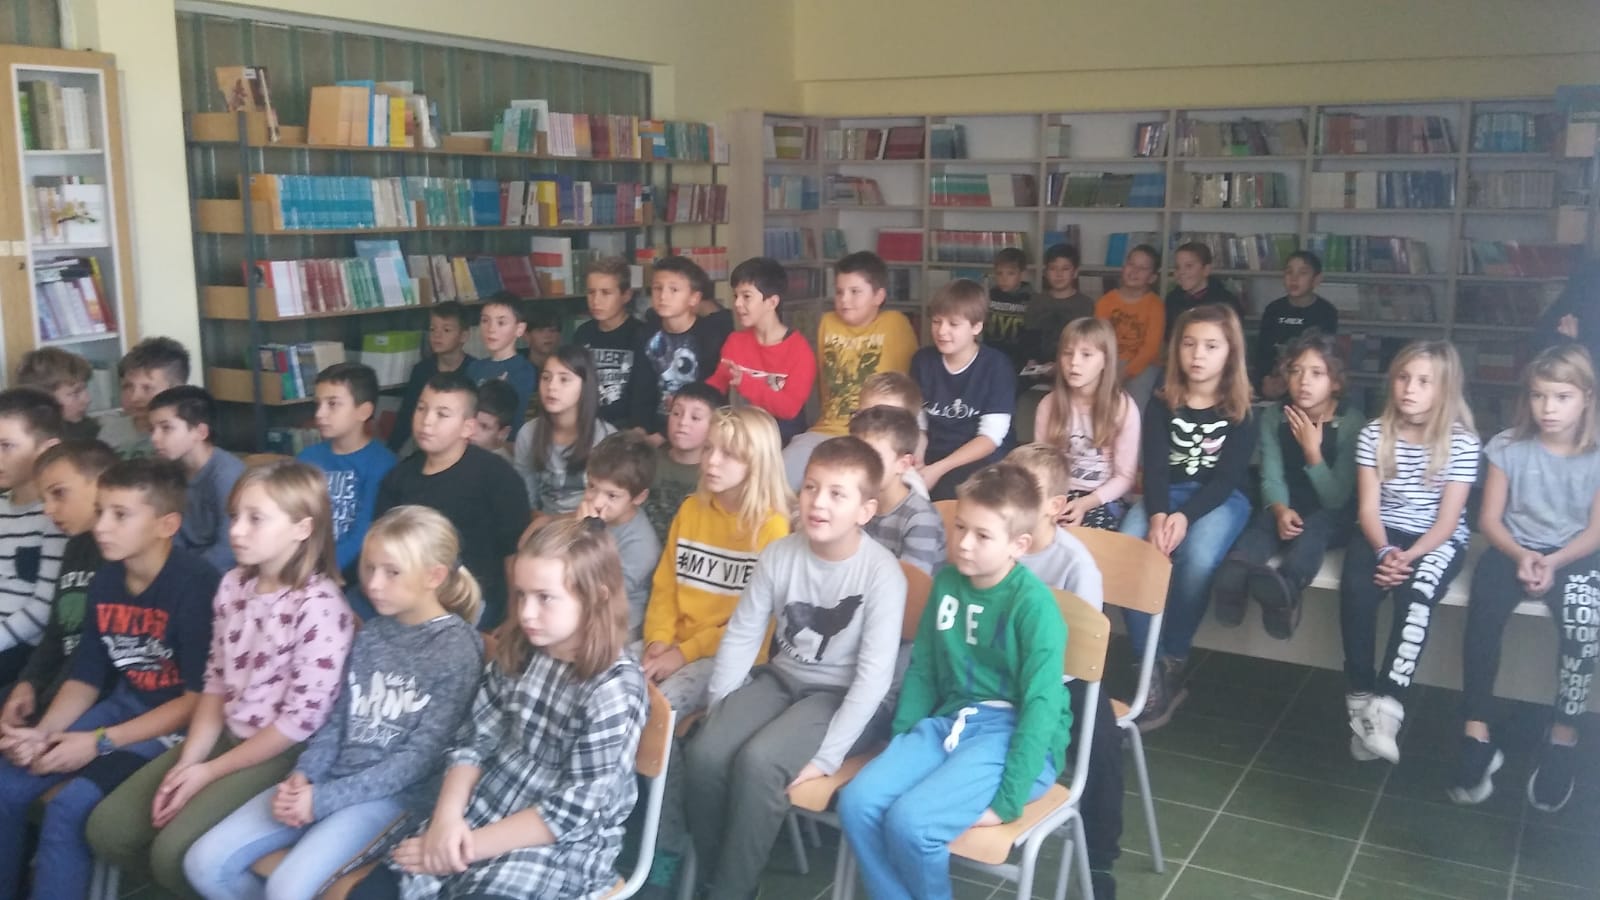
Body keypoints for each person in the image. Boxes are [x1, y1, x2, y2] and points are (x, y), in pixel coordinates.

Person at [85, 461, 356, 899]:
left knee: (173, 854)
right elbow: (215, 680)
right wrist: (189, 762)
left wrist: (208, 772)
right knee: (107, 829)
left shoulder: (319, 606)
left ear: (302, 528)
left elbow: (297, 724)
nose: (237, 531)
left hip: (282, 754)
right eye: (234, 516)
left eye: (255, 518)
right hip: (225, 734)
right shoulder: (233, 585)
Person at [183, 506, 483, 900]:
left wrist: (323, 799)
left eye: (392, 572)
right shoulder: (373, 633)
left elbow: (418, 760)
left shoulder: (458, 648)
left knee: (286, 889)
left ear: (435, 576)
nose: (373, 584)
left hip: (392, 799)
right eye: (369, 568)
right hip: (327, 781)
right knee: (203, 863)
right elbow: (338, 719)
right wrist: (304, 775)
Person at [347, 517, 647, 900]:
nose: (526, 613)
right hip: (480, 811)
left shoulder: (615, 689)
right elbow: (473, 740)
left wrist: (460, 848)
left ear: (596, 598)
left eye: (545, 597)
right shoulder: (521, 650)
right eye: (521, 595)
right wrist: (446, 821)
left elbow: (572, 810)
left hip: (553, 847)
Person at [684, 436, 906, 900]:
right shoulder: (779, 553)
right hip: (781, 678)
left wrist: (828, 757)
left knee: (760, 762)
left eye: (837, 494)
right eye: (810, 487)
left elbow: (872, 680)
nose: (818, 503)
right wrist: (723, 708)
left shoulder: (882, 574)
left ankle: (731, 891)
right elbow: (743, 635)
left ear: (865, 511)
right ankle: (715, 878)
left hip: (840, 698)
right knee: (706, 751)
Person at [837, 465, 1068, 900]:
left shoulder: (1034, 606)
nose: (963, 543)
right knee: (857, 803)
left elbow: (1042, 706)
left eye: (982, 535)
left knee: (912, 823)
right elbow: (923, 668)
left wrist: (1008, 801)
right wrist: (902, 741)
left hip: (1014, 739)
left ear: (1018, 545)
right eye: (960, 527)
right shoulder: (946, 582)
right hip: (951, 724)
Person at [0, 459, 220, 900]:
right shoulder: (105, 581)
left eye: (120, 515)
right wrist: (44, 734)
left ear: (166, 525)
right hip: (122, 708)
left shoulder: (197, 585)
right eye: (100, 511)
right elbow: (86, 677)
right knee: (8, 783)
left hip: (174, 730)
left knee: (69, 808)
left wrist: (98, 742)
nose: (101, 526)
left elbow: (196, 701)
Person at [1452, 345, 1600, 809]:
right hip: (1511, 548)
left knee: (1584, 623)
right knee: (1483, 613)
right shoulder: (1508, 446)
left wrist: (1553, 562)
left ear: (1586, 398)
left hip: (1575, 554)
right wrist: (1522, 555)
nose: (1548, 408)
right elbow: (1489, 520)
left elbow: (1596, 531)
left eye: (1561, 397)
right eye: (1538, 396)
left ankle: (1563, 735)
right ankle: (1476, 731)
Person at [1119, 305, 1258, 730]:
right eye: (1189, 344)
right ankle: (1150, 666)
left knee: (1197, 557)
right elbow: (1155, 468)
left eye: (1211, 346)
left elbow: (1227, 479)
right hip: (1165, 494)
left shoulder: (1242, 408)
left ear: (1230, 352)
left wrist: (1184, 517)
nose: (1198, 355)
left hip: (1221, 500)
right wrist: (1159, 515)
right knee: (1131, 555)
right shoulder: (1162, 400)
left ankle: (1174, 657)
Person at [1341, 341, 1478, 765]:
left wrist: (1410, 555)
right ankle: (1360, 700)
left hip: (1436, 539)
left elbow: (1448, 520)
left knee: (1415, 596)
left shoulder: (1462, 443)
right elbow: (1368, 508)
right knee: (1357, 591)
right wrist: (1385, 550)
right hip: (1382, 532)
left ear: (1445, 389)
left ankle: (1387, 708)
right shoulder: (1373, 434)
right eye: (1403, 378)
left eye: (1423, 381)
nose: (1409, 389)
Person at [1005, 445, 1122, 900]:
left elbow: (1080, 651)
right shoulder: (995, 541)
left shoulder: (1076, 565)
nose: (1011, 499)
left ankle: (1099, 860)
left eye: (1026, 491)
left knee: (1103, 745)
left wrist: (1031, 688)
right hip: (1001, 668)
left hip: (1061, 678)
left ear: (1056, 505)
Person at [1213, 332, 1363, 639]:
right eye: (1296, 371)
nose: (1304, 381)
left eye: (1317, 373)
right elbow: (1272, 475)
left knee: (1314, 532)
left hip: (1332, 511)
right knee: (1263, 524)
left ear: (1335, 382)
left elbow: (1336, 498)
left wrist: (1312, 452)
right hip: (1288, 501)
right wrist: (1280, 509)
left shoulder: (1351, 422)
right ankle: (1235, 575)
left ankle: (1285, 590)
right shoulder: (1274, 416)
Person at [642, 406, 791, 713]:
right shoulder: (690, 510)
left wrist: (683, 654)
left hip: (728, 654)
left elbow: (752, 624)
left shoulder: (772, 528)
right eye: (709, 448)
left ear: (757, 462)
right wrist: (657, 640)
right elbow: (665, 586)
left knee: (657, 706)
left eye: (729, 454)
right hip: (671, 642)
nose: (711, 461)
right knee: (608, 676)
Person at [377, 372, 529, 629]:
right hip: (407, 592)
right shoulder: (399, 476)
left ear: (468, 427)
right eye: (421, 409)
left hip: (472, 598)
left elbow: (513, 554)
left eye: (442, 414)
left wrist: (515, 616)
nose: (427, 421)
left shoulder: (497, 476)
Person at [0, 441, 115, 729]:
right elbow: (56, 631)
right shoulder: (74, 547)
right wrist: (28, 683)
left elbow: (97, 658)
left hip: (89, 698)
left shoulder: (119, 557)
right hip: (51, 686)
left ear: (102, 484)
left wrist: (43, 718)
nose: (48, 510)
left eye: (59, 494)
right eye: (44, 499)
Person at [781, 251, 919, 488]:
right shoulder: (827, 322)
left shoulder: (895, 324)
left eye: (855, 292)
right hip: (825, 431)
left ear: (879, 296)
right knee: (776, 478)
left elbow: (907, 388)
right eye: (839, 292)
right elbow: (824, 386)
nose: (844, 300)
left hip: (875, 434)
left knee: (907, 487)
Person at [913, 279, 1017, 499]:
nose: (942, 331)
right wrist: (919, 456)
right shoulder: (923, 361)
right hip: (933, 453)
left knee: (948, 493)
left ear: (976, 327)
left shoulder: (996, 366)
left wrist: (938, 469)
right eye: (936, 321)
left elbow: (990, 438)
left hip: (979, 460)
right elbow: (919, 423)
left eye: (953, 324)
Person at [1034, 318, 1140, 530]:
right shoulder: (1049, 404)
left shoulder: (1123, 407)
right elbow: (1041, 466)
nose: (1074, 362)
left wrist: (1085, 504)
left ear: (1105, 361)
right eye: (1067, 353)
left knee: (1087, 537)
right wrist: (1051, 502)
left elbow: (1124, 477)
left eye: (1086, 355)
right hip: (1057, 493)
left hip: (1102, 497)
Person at [298, 362, 398, 587]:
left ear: (364, 411)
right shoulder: (307, 458)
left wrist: (321, 571)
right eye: (318, 404)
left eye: (332, 404)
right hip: (302, 566)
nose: (320, 414)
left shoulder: (382, 463)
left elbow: (365, 532)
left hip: (351, 576)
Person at [705, 256, 817, 443]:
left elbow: (789, 409)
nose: (737, 304)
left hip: (783, 439)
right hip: (742, 436)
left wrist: (745, 382)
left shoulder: (799, 350)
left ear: (772, 302)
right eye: (735, 296)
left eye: (746, 296)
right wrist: (689, 398)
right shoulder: (735, 342)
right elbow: (716, 386)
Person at [0, 388, 67, 685]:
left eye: (6, 446)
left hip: (23, 646)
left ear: (46, 449)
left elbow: (43, 608)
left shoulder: (55, 517)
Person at [148, 385, 246, 573]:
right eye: (152, 429)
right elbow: (171, 537)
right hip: (185, 567)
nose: (154, 438)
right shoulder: (169, 471)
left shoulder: (227, 475)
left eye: (166, 428)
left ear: (201, 432)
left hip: (221, 574)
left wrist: (187, 575)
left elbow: (229, 548)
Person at [513, 346, 617, 519]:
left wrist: (552, 522)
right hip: (541, 527)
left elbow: (608, 507)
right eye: (546, 378)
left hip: (590, 527)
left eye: (564, 379)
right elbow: (525, 499)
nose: (551, 387)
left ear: (585, 386)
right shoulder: (528, 433)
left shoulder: (607, 438)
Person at [640, 255, 733, 443]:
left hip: (697, 431)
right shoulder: (646, 334)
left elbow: (710, 397)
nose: (663, 296)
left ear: (694, 298)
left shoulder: (710, 337)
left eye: (673, 289)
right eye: (657, 288)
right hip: (653, 427)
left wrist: (662, 436)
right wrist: (640, 429)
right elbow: (641, 388)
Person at [578, 432, 660, 639]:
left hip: (616, 624)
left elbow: (601, 593)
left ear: (639, 497)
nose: (597, 502)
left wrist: (588, 536)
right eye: (592, 486)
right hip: (580, 607)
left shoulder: (641, 545)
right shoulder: (590, 515)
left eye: (612, 495)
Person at [850, 405, 945, 574]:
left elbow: (912, 584)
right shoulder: (854, 502)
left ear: (903, 464)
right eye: (854, 454)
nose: (859, 465)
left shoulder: (920, 518)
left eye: (873, 457)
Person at [576, 256, 653, 430]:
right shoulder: (583, 333)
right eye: (591, 292)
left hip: (625, 427)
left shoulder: (641, 335)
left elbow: (644, 392)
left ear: (626, 295)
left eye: (606, 293)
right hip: (586, 424)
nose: (596, 301)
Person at [390, 302, 475, 453]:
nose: (437, 335)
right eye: (432, 329)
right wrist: (391, 450)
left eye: (446, 330)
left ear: (464, 336)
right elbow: (407, 415)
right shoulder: (421, 370)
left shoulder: (475, 369)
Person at [643, 383, 722, 544]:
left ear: (715, 425)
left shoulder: (715, 475)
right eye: (676, 413)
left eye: (695, 417)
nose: (682, 422)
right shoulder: (647, 461)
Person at [1255, 250, 1338, 397]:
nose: (1294, 278)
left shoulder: (1326, 312)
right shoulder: (1273, 309)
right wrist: (1265, 380)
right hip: (1273, 383)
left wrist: (1289, 379)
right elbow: (1262, 352)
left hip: (1307, 384)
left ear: (1316, 279)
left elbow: (1324, 357)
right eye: (1289, 272)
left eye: (1303, 273)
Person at [1094, 245, 1164, 409]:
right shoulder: (1106, 302)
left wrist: (1126, 372)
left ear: (1152, 277)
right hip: (1110, 360)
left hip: (1143, 364)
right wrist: (1109, 369)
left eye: (1143, 268)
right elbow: (1098, 340)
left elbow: (1150, 349)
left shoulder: (1155, 305)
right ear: (1123, 267)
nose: (1135, 271)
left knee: (1134, 404)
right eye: (1131, 264)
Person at [102, 337, 190, 459]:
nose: (134, 397)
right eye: (127, 387)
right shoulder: (110, 431)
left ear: (176, 391)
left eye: (147, 388)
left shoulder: (187, 434)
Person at [465, 293, 538, 436]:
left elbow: (518, 423)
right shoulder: (474, 368)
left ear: (520, 329)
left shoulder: (525, 371)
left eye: (501, 323)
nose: (491, 329)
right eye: (485, 321)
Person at [1021, 243, 1094, 386]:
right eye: (1053, 268)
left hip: (1072, 366)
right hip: (1038, 366)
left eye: (1065, 269)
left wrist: (1061, 365)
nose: (1058, 274)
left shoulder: (1085, 304)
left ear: (1075, 272)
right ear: (1045, 272)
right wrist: (1031, 360)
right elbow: (1029, 336)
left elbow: (1087, 343)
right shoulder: (1037, 301)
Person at [1163, 241, 1243, 343]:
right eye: (1177, 267)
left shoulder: (1226, 302)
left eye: (1189, 266)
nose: (1181, 272)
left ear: (1206, 270)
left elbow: (1233, 341)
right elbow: (1169, 337)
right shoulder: (1172, 299)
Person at [15, 347, 98, 443]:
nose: (87, 400)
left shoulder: (89, 431)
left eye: (85, 389)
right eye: (75, 393)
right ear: (44, 398)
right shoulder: (25, 440)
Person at [986, 246, 1033, 376]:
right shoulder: (990, 296)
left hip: (1018, 358)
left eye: (1010, 273)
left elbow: (1033, 333)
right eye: (999, 273)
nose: (1004, 279)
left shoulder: (1031, 299)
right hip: (991, 356)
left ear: (1022, 274)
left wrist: (1031, 357)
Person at [469, 378, 520, 465]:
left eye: (484, 426)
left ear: (503, 433)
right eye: (471, 420)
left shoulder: (500, 468)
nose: (472, 431)